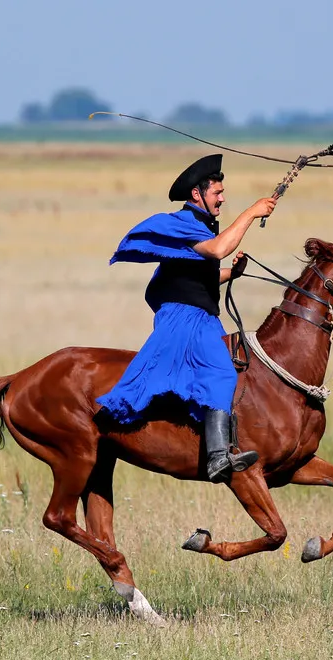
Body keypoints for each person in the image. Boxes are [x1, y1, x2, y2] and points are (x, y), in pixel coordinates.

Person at [96, 153, 276, 482]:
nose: (222, 198)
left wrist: (230, 274)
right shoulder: (182, 224)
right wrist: (251, 212)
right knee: (222, 372)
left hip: (202, 315)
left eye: (223, 193)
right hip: (185, 318)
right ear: (197, 194)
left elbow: (194, 276)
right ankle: (218, 459)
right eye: (217, 193)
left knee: (221, 374)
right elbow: (219, 248)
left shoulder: (199, 227)